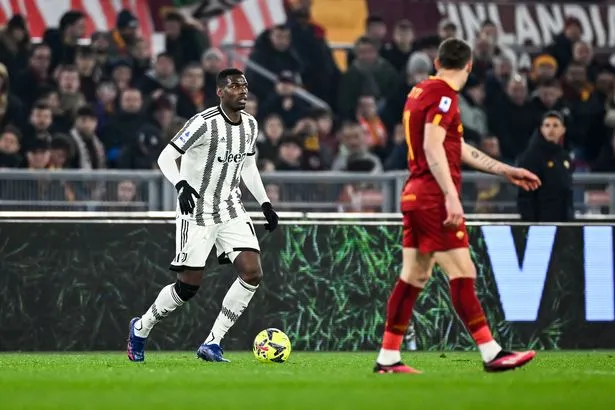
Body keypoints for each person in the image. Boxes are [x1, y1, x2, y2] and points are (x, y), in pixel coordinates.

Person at [374, 38, 542, 374]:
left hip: (415, 194)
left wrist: (505, 169)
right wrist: (451, 195)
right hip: (434, 196)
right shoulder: (446, 96)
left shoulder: (420, 92)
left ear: (437, 62)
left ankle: (388, 357)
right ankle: (492, 353)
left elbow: (457, 147)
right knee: (463, 273)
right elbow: (433, 147)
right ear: (469, 65)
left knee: (414, 276)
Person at [127, 68, 279, 363]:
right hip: (195, 211)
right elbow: (165, 156)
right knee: (188, 287)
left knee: (252, 272)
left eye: (245, 86)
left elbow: (248, 166)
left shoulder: (250, 125)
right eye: (235, 86)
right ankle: (142, 327)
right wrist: (181, 184)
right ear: (220, 92)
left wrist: (265, 203)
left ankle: (213, 342)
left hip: (230, 207)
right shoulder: (202, 123)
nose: (242, 91)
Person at [517, 111, 574, 222]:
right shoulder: (531, 156)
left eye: (555, 125)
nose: (551, 130)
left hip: (564, 220)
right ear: (541, 129)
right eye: (547, 125)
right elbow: (525, 196)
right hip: (541, 220)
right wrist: (530, 223)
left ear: (563, 130)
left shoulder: (565, 156)